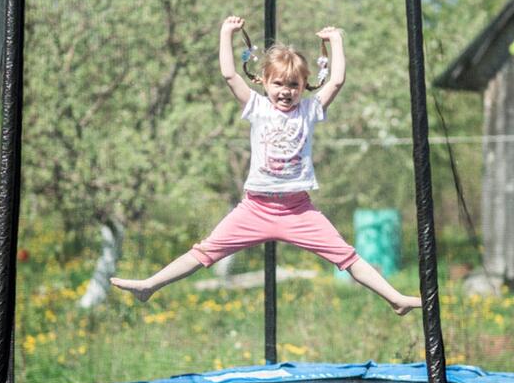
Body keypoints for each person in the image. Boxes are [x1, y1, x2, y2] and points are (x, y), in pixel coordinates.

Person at [110, 16, 422, 315]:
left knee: (345, 255)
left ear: (305, 85)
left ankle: (396, 299)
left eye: (294, 85)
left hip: (298, 210)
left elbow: (337, 80)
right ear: (264, 82)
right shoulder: (257, 106)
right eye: (279, 84)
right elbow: (229, 75)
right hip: (255, 208)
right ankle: (149, 285)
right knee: (205, 251)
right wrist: (226, 33)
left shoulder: (310, 110)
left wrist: (336, 41)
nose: (286, 91)